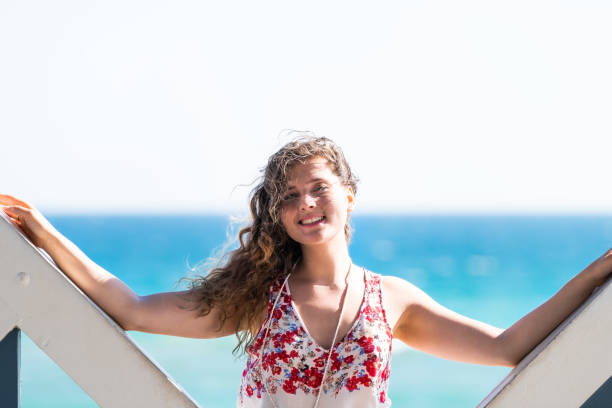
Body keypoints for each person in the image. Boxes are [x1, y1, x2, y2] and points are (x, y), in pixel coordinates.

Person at [1, 135, 611, 408]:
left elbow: (508, 348)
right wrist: (42, 231)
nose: (305, 205)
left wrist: (595, 274)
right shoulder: (257, 298)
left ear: (349, 195)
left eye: (318, 188)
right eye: (289, 197)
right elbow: (130, 309)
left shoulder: (390, 299)